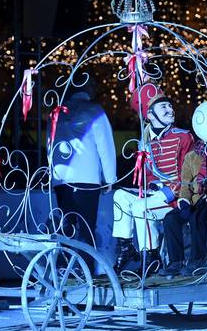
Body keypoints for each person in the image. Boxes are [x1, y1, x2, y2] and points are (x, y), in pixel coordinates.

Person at [112, 83, 194, 273]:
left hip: (174, 198)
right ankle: (126, 247)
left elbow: (187, 174)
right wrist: (145, 190)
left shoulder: (183, 137)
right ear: (150, 115)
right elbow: (147, 176)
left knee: (142, 207)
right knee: (119, 197)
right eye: (163, 107)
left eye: (170, 106)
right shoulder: (145, 141)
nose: (170, 109)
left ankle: (151, 255)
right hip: (154, 194)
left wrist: (166, 192)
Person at [50, 76, 117, 273]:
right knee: (87, 228)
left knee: (67, 226)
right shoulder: (94, 110)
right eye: (93, 84)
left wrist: (53, 175)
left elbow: (50, 144)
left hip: (62, 178)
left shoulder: (58, 113)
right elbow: (105, 145)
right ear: (86, 87)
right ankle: (86, 270)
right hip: (86, 178)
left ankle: (64, 267)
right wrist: (110, 177)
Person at [159, 140, 207, 277]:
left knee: (197, 217)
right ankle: (176, 261)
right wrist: (184, 201)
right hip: (195, 200)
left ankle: (198, 259)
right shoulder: (192, 156)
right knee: (170, 219)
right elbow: (185, 184)